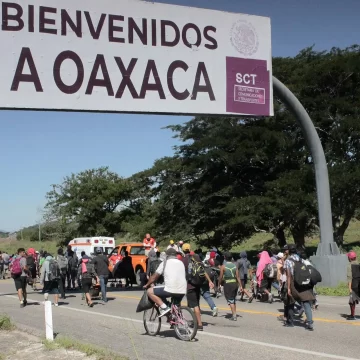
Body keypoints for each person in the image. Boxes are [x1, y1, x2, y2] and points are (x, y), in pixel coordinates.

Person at [144, 248, 187, 317]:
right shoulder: (181, 262)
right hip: (182, 289)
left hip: (170, 288)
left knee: (149, 291)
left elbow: (154, 276)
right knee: (175, 306)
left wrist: (147, 284)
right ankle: (175, 321)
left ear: (167, 255)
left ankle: (164, 307)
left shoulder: (165, 263)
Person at [181, 243, 213, 331]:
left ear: (183, 250)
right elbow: (203, 270)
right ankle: (196, 321)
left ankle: (199, 324)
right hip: (198, 284)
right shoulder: (197, 257)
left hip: (190, 285)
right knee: (196, 304)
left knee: (194, 305)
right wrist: (210, 281)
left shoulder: (183, 260)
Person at [284, 245, 315, 330]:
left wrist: (289, 288)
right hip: (304, 283)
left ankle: (290, 322)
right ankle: (310, 323)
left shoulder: (288, 261)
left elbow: (289, 276)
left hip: (294, 283)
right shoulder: (301, 259)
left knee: (290, 302)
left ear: (289, 251)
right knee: (306, 303)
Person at [218, 252, 242, 321]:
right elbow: (238, 277)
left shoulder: (223, 266)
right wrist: (241, 286)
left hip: (228, 284)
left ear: (225, 258)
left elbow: (220, 277)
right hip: (235, 284)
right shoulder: (235, 266)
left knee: (230, 300)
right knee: (233, 300)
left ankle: (234, 316)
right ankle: (234, 313)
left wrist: (219, 284)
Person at [347, 250, 360, 320]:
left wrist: (350, 289)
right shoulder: (358, 263)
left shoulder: (350, 266)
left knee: (352, 301)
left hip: (354, 285)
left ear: (349, 258)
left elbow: (349, 278)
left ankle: (352, 316)